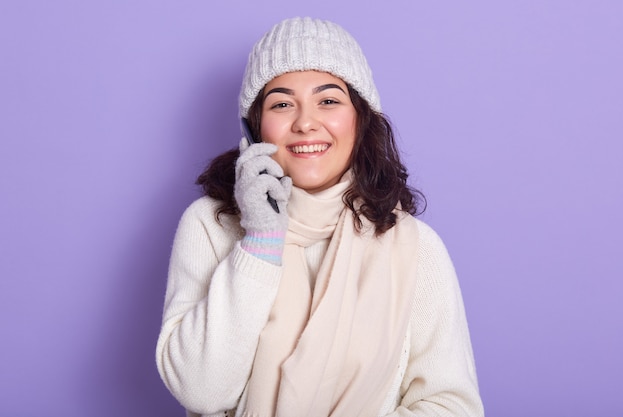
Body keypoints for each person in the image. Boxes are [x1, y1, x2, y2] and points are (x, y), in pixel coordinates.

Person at [156, 17, 484, 417]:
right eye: (281, 104)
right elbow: (202, 392)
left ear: (360, 119)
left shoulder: (415, 247)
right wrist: (260, 241)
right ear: (255, 127)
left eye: (328, 100)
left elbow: (452, 406)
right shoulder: (209, 225)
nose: (305, 122)